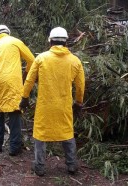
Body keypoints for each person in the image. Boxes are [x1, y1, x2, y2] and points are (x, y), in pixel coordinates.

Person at [20, 27, 85, 176]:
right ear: (66, 41)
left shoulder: (41, 58)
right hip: (64, 106)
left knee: (41, 135)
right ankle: (72, 165)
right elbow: (80, 85)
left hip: (45, 106)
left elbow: (29, 80)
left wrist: (24, 97)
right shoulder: (75, 61)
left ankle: (40, 167)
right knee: (67, 133)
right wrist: (79, 102)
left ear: (50, 41)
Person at [0, 25, 35, 156]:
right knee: (14, 110)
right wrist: (26, 73)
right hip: (13, 81)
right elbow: (32, 60)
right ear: (8, 33)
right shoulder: (15, 41)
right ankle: (14, 147)